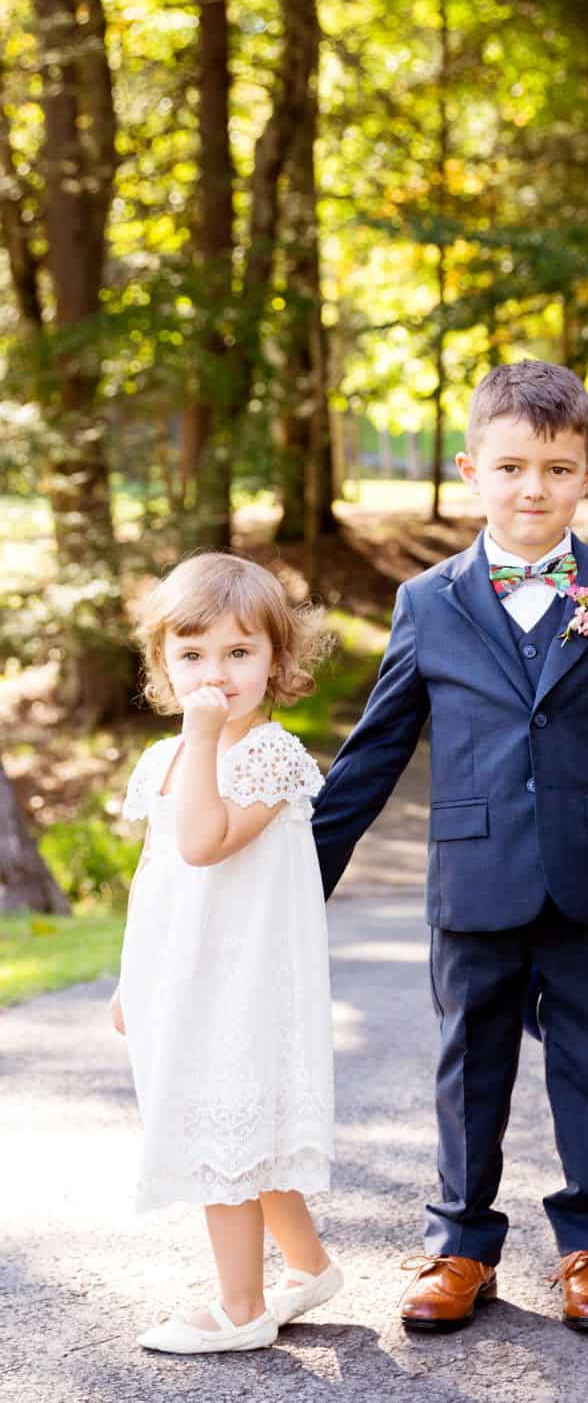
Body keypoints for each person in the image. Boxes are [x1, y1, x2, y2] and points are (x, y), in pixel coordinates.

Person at [312, 360, 588, 1334]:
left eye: (557, 469)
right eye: (512, 466)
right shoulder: (427, 602)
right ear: (471, 466)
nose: (533, 489)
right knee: (467, 1065)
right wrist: (299, 875)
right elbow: (376, 749)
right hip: (474, 880)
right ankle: (459, 1246)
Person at [112, 553, 342, 1353]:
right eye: (194, 654)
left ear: (277, 660)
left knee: (227, 1131)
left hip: (242, 981)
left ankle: (242, 1304)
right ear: (163, 664)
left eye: (240, 652)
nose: (217, 673)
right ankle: (307, 1266)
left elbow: (205, 842)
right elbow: (158, 872)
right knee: (245, 1126)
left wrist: (205, 734)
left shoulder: (272, 757)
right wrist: (128, 978)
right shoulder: (160, 759)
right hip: (183, 973)